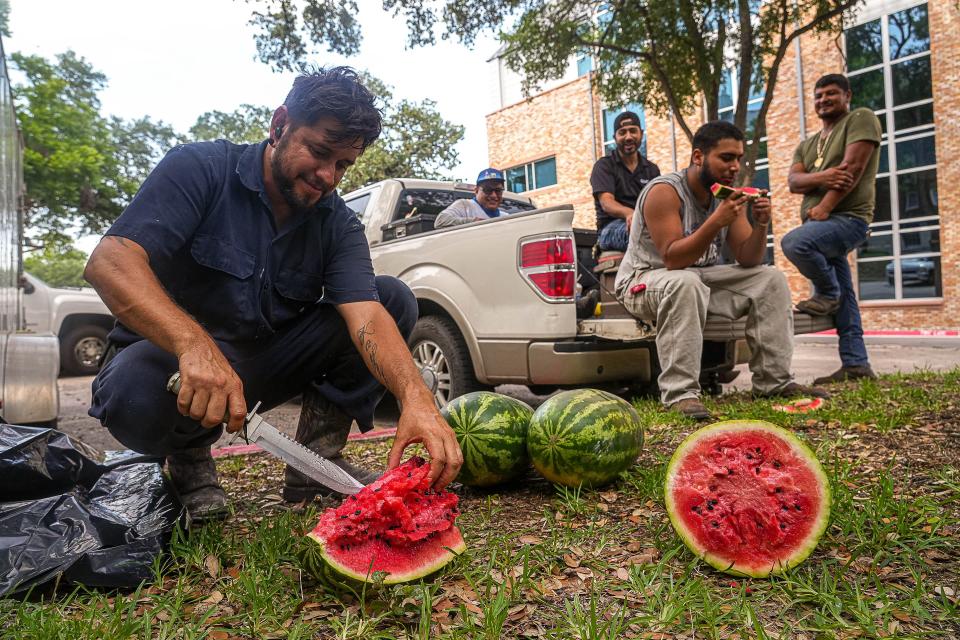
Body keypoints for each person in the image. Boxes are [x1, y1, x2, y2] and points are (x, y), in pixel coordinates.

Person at [83, 67, 463, 520]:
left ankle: (316, 464)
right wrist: (193, 345)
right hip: (166, 364)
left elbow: (366, 315)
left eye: (343, 165)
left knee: (391, 297)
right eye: (319, 152)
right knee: (134, 394)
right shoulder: (200, 168)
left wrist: (416, 397)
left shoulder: (337, 222)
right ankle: (189, 460)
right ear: (279, 124)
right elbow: (110, 261)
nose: (327, 176)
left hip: (259, 367)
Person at [614, 121, 829, 420]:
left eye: (738, 159)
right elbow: (672, 258)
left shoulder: (725, 196)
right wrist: (716, 221)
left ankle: (773, 382)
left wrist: (761, 224)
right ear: (699, 156)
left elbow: (748, 258)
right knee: (684, 282)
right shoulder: (665, 192)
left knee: (770, 279)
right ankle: (680, 395)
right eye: (726, 158)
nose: (734, 166)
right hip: (643, 280)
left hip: (694, 278)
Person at [782, 73, 881, 384]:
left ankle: (827, 291)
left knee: (794, 244)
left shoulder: (860, 119)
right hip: (821, 226)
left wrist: (824, 206)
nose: (823, 100)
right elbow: (793, 181)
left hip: (848, 219)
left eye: (831, 94)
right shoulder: (808, 144)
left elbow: (852, 169)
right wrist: (824, 177)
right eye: (819, 95)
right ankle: (856, 364)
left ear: (847, 95)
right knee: (847, 299)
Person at [590, 111, 660, 252]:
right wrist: (629, 213)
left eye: (633, 131)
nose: (628, 137)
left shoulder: (652, 170)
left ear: (641, 133)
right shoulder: (604, 166)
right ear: (614, 137)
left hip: (645, 223)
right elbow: (606, 203)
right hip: (610, 229)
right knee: (643, 234)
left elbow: (658, 204)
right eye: (622, 132)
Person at [434, 168, 507, 228]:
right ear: (476, 191)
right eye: (488, 190)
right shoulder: (465, 206)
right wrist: (474, 222)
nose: (494, 195)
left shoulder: (506, 218)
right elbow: (440, 221)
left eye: (498, 191)